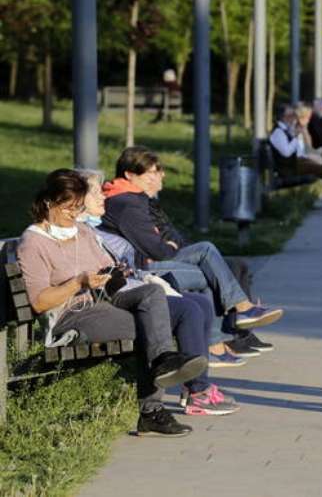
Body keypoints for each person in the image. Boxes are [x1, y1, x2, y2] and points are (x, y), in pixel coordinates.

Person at [17, 169, 208, 436]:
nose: (73, 215)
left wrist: (115, 273)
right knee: (147, 326)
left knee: (152, 296)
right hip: (70, 314)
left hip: (103, 299)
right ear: (49, 202)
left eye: (77, 208)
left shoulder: (82, 231)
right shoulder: (33, 242)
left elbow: (104, 268)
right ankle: (151, 410)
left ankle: (165, 358)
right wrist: (78, 283)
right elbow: (39, 302)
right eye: (68, 208)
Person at [99, 146, 283, 365]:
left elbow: (167, 237)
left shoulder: (135, 199)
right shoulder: (125, 203)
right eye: (152, 172)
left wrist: (170, 244)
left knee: (217, 267)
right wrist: (169, 246)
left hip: (150, 262)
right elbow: (156, 249)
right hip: (142, 270)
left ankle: (219, 343)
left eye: (159, 171)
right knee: (206, 252)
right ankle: (240, 314)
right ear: (130, 175)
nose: (160, 176)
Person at [78, 168, 240, 414]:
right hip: (113, 300)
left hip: (133, 287)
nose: (102, 196)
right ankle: (198, 392)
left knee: (201, 303)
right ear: (76, 200)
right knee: (189, 309)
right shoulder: (82, 232)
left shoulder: (96, 228)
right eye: (94, 192)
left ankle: (195, 387)